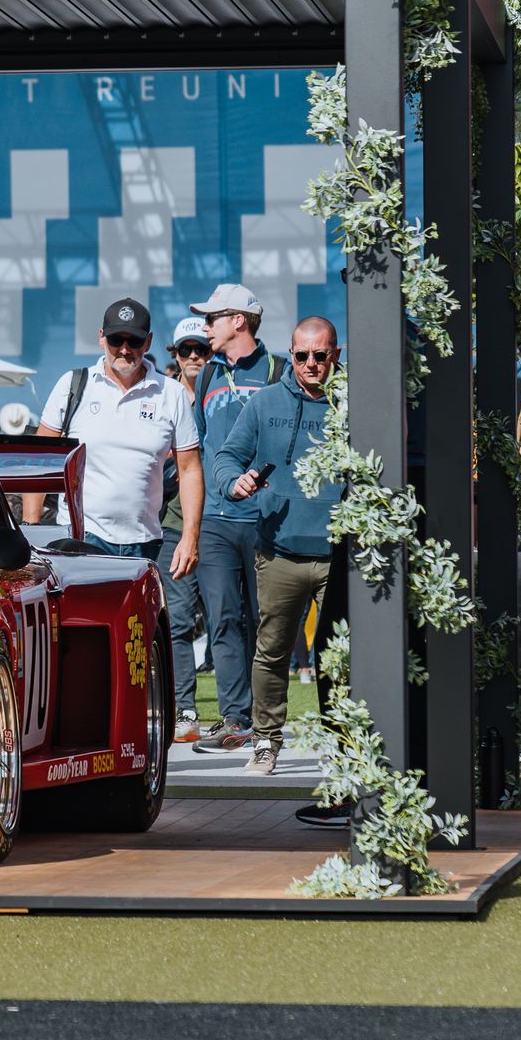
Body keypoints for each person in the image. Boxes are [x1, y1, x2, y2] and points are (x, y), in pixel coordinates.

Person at [216, 315, 347, 778]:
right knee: (270, 652)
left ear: (336, 354)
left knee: (342, 658)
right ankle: (267, 742)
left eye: (320, 355)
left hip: (340, 555)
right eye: (301, 355)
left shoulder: (354, 405)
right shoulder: (265, 402)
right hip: (278, 550)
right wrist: (235, 483)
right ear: (289, 354)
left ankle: (343, 747)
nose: (310, 364)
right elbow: (227, 457)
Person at [35, 296, 202, 578]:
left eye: (134, 341)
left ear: (148, 343)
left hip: (144, 543)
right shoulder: (73, 384)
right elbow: (40, 461)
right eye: (116, 340)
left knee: (140, 624)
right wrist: (32, 525)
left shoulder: (171, 393)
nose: (124, 349)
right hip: (80, 538)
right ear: (101, 338)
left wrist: (190, 539)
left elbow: (190, 471)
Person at [186, 282, 285, 752]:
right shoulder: (205, 377)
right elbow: (196, 452)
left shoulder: (279, 371)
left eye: (213, 318)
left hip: (267, 520)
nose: (206, 327)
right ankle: (235, 719)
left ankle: (267, 722)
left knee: (267, 624)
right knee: (223, 620)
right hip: (216, 522)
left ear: (238, 321)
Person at [155, 317, 214, 738]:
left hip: (227, 523)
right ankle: (186, 709)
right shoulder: (164, 396)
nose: (194, 357)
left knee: (234, 622)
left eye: (202, 350)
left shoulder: (225, 392)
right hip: (175, 524)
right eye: (185, 350)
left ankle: (240, 716)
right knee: (177, 620)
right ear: (174, 356)